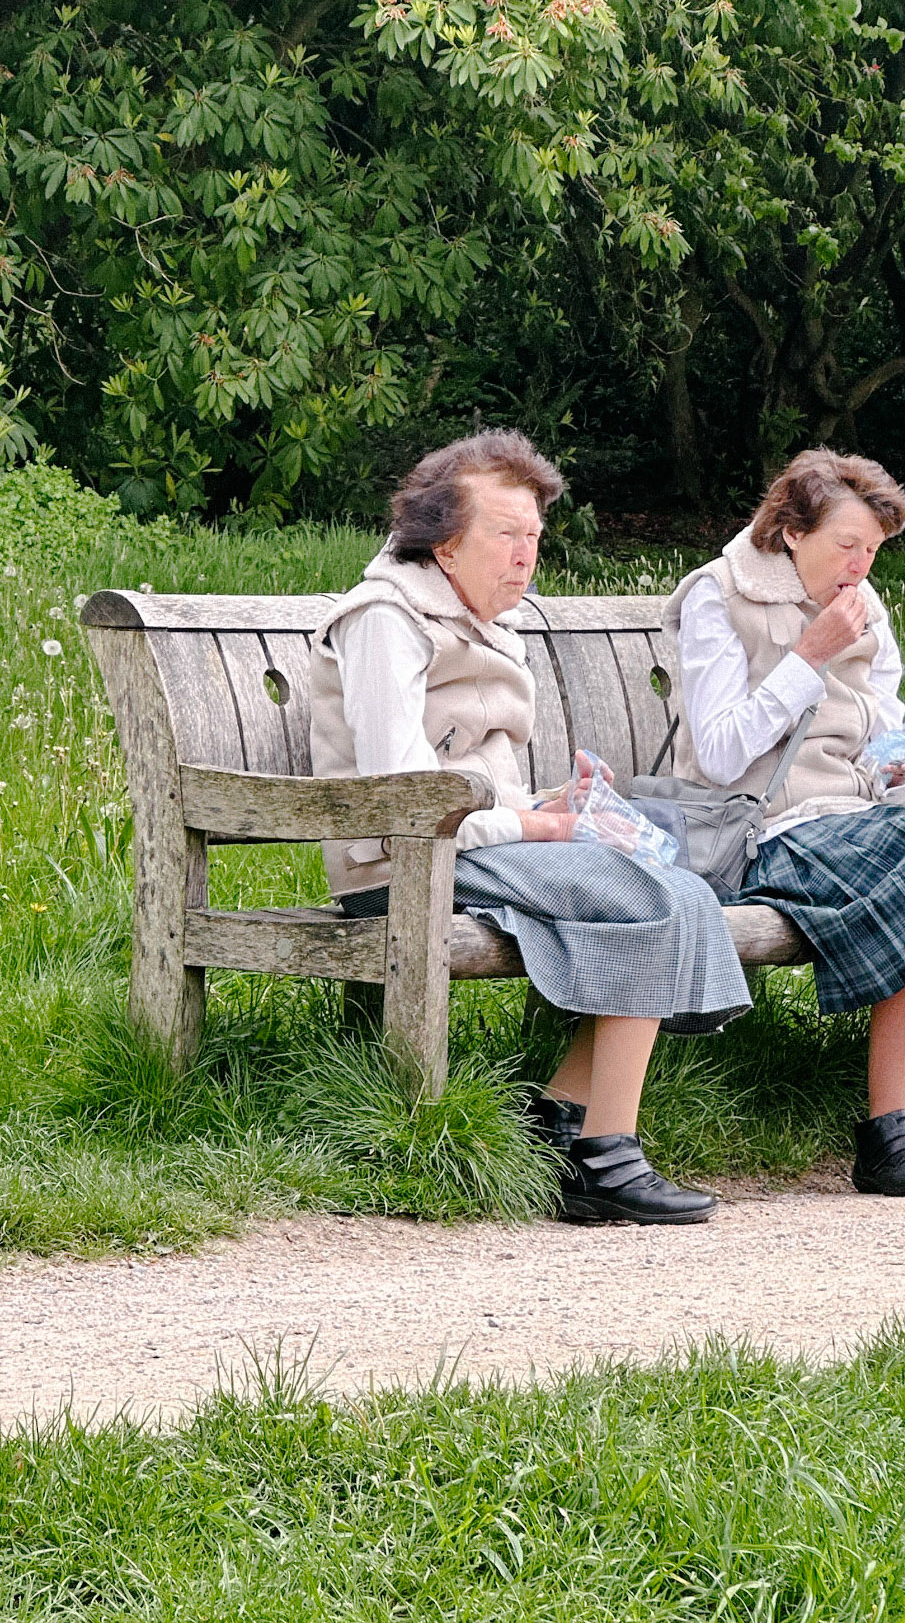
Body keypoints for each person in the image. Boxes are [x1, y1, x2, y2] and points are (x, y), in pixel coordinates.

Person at [309, 430, 750, 1225]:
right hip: (402, 859)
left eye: (534, 538)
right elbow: (403, 793)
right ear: (445, 544)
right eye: (506, 536)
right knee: (643, 894)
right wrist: (534, 829)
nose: (525, 557)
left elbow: (482, 781)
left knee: (678, 888)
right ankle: (604, 1157)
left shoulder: (479, 618)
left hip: (472, 844)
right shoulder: (385, 618)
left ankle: (558, 1116)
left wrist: (554, 805)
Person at [662, 448, 905, 1197]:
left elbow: (874, 727)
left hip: (851, 821)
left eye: (872, 550)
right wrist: (808, 655)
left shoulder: (868, 606)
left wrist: (896, 763)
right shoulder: (717, 597)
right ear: (792, 532)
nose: (860, 566)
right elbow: (724, 751)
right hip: (760, 832)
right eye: (847, 546)